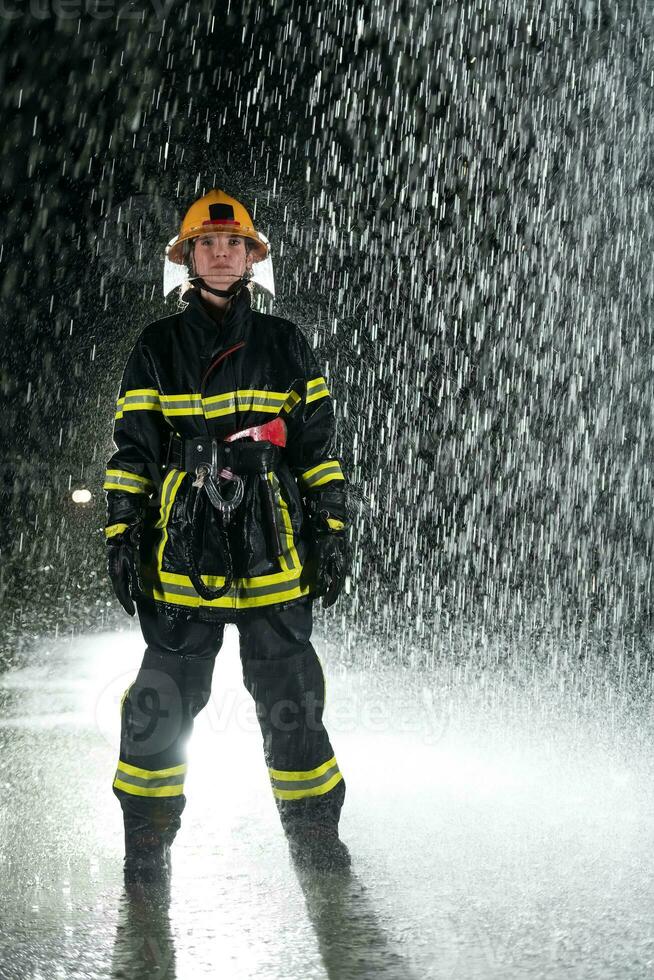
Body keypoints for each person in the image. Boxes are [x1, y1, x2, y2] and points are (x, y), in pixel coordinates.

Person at [104, 189, 351, 883]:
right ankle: (145, 842)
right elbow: (133, 452)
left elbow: (317, 449)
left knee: (291, 697)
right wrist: (122, 536)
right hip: (184, 547)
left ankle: (315, 838)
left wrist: (331, 528)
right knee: (163, 698)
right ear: (186, 258)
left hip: (272, 540)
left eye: (232, 244)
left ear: (250, 257)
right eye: (206, 245)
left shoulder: (284, 342)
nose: (220, 253)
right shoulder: (156, 347)